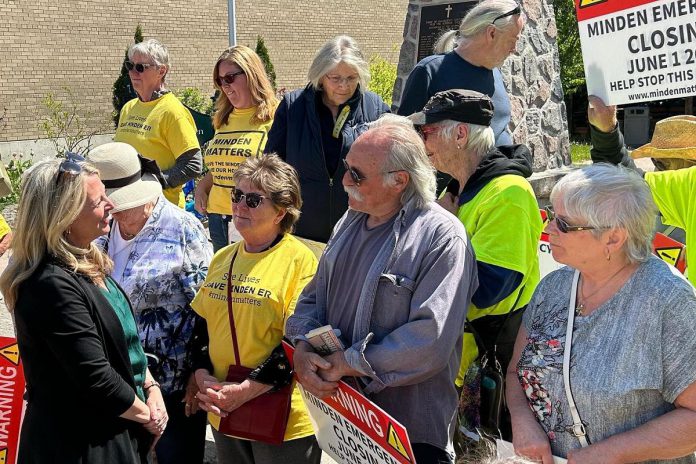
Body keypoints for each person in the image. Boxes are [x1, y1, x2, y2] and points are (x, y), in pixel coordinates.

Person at [286, 114, 478, 464]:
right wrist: (301, 346)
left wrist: (349, 362)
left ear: (399, 181)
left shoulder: (442, 237)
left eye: (356, 174)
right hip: (349, 422)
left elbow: (429, 340)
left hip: (410, 434)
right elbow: (314, 296)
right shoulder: (351, 219)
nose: (343, 180)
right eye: (347, 168)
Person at [507, 164, 696, 463]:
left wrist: (609, 453)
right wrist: (523, 422)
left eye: (564, 224)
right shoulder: (553, 287)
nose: (548, 229)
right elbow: (516, 371)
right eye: (551, 217)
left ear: (613, 238)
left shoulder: (668, 302)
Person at [0, 154, 166, 463]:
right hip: (81, 445)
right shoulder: (50, 284)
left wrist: (151, 387)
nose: (110, 205)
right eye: (97, 201)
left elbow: (126, 348)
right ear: (64, 216)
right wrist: (149, 417)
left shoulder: (89, 261)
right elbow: (97, 378)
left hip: (115, 428)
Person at [409, 89, 542, 438]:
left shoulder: (509, 193)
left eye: (427, 132)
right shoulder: (456, 191)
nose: (422, 141)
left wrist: (442, 239)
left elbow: (486, 289)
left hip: (497, 372)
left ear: (461, 134)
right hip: (462, 367)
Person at [191, 155, 322, 464]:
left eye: (252, 199)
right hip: (224, 407)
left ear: (281, 210)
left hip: (282, 417)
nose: (239, 206)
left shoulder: (300, 261)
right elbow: (201, 326)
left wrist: (247, 390)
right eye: (237, 195)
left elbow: (298, 342)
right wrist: (201, 375)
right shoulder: (222, 257)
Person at [88, 142, 213, 464]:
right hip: (116, 384)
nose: (107, 208)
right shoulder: (97, 229)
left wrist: (198, 373)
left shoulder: (183, 229)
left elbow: (207, 310)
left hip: (173, 383)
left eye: (113, 202)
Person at [265, 35, 390, 242]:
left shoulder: (374, 107)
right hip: (302, 228)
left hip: (358, 228)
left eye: (351, 78)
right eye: (335, 78)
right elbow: (272, 165)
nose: (344, 86)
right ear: (321, 75)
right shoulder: (292, 107)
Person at [588, 95, 696, 286]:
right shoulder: (690, 184)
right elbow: (626, 182)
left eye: (662, 162)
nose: (659, 168)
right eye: (657, 162)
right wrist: (606, 132)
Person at [397, 0, 524, 147]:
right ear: (492, 33)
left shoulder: (496, 73)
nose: (514, 49)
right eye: (513, 40)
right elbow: (405, 140)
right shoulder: (429, 72)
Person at [194, 45, 278, 251]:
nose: (225, 86)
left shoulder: (275, 116)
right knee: (225, 280)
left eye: (230, 78)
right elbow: (223, 167)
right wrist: (202, 187)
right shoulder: (222, 119)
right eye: (220, 81)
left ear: (251, 75)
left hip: (254, 216)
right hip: (218, 218)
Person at [115, 38, 202, 208]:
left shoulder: (172, 111)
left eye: (140, 68)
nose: (133, 73)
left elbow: (193, 165)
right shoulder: (128, 108)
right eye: (129, 66)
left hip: (162, 210)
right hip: (129, 207)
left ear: (161, 71)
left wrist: (153, 184)